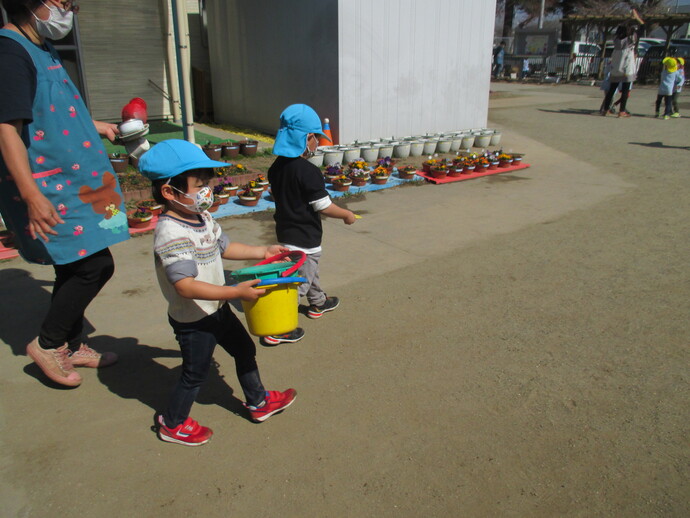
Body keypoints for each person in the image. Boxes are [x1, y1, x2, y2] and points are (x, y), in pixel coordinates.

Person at [0, 0, 128, 387]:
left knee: (73, 266)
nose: (69, 9)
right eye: (61, 1)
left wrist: (96, 124)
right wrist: (31, 194)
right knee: (95, 266)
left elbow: (51, 108)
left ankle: (71, 344)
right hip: (50, 186)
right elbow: (7, 127)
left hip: (75, 180)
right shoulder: (10, 52)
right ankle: (48, 343)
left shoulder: (40, 43)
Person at [138, 139, 296, 446]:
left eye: (207, 183)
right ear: (170, 192)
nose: (208, 191)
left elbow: (225, 247)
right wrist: (234, 292)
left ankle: (258, 402)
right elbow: (184, 286)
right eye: (200, 185)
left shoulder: (201, 218)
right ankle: (172, 422)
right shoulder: (172, 233)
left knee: (244, 350)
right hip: (194, 320)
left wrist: (262, 250)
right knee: (194, 375)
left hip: (217, 307)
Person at [266, 104, 356, 345]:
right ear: (307, 139)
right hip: (305, 238)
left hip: (285, 231)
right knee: (300, 282)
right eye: (317, 138)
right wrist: (346, 214)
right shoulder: (308, 171)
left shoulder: (275, 168)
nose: (318, 143)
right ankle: (279, 327)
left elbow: (278, 196)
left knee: (308, 271)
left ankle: (318, 303)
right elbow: (323, 206)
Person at [601, 9, 644, 117]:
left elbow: (621, 27)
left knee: (612, 89)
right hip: (626, 66)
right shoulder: (630, 40)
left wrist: (629, 18)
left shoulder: (616, 40)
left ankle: (606, 109)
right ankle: (622, 111)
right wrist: (636, 18)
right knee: (625, 89)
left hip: (616, 66)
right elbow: (643, 27)